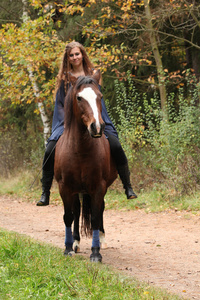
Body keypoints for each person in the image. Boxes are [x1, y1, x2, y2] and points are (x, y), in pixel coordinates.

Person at [36, 41, 137, 206]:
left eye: (77, 54)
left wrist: (97, 118)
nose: (75, 57)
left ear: (82, 54)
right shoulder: (64, 79)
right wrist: (67, 123)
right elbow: (60, 103)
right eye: (71, 55)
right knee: (50, 149)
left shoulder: (93, 74)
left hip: (95, 116)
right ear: (67, 58)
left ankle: (128, 186)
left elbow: (97, 100)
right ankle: (45, 191)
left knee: (116, 145)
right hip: (67, 122)